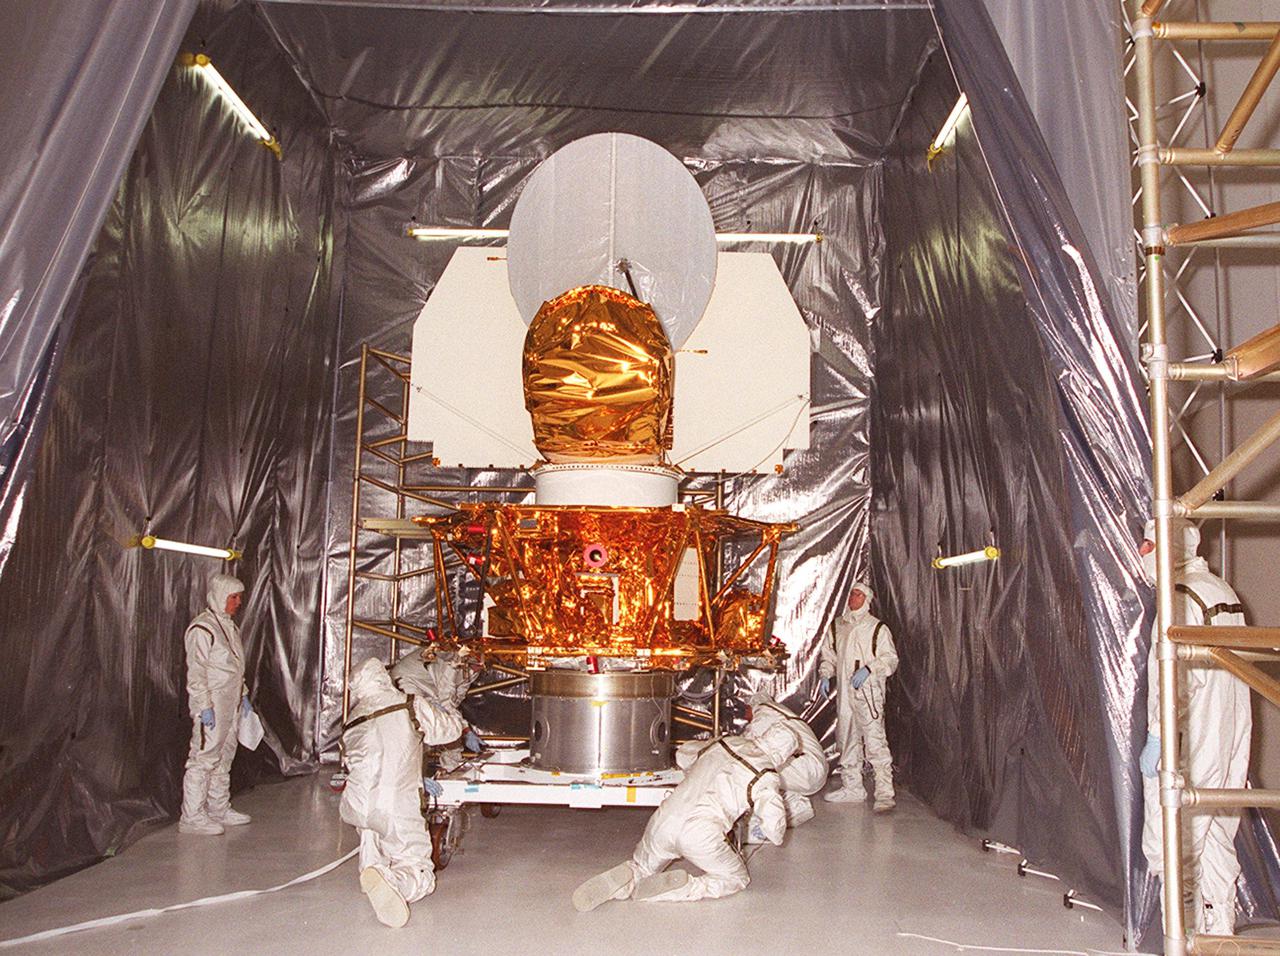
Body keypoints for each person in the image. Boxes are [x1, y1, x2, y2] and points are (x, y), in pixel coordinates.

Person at [1139, 518, 1250, 937]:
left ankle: (1181, 935)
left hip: (1192, 726)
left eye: (1149, 545)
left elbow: (1168, 680)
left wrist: (1157, 736)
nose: (1142, 553)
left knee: (1172, 834)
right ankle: (1218, 931)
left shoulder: (1178, 600)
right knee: (1216, 825)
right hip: (1232, 721)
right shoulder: (1221, 590)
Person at [572, 721, 800, 911]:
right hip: (700, 834)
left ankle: (631, 875)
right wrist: (777, 830)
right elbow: (774, 829)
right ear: (784, 754)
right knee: (735, 878)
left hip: (664, 820)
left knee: (643, 865)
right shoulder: (766, 774)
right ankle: (685, 887)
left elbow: (683, 755)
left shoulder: (726, 742)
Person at [341, 657, 466, 928]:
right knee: (419, 868)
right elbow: (450, 731)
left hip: (357, 803)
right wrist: (449, 709)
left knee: (373, 839)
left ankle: (371, 874)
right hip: (395, 802)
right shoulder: (409, 705)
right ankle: (396, 882)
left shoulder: (354, 718)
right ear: (384, 678)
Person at [672, 693, 827, 829]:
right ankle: (794, 803)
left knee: (750, 767)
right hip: (812, 769)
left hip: (806, 769)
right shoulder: (778, 711)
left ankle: (789, 805)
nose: (744, 718)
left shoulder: (763, 714)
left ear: (750, 707)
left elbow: (749, 751)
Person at [180, 573, 254, 835]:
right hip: (212, 703)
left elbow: (234, 666)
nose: (238, 603)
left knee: (224, 757)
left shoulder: (229, 627)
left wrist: (243, 694)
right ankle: (192, 816)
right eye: (233, 597)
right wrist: (204, 705)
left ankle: (218, 807)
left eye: (239, 598)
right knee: (204, 758)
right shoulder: (203, 629)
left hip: (230, 703)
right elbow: (196, 671)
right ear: (220, 596)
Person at [819, 582, 899, 810]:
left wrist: (869, 669)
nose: (853, 598)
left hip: (868, 692)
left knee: (874, 739)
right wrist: (825, 674)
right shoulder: (839, 626)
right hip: (845, 692)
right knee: (846, 738)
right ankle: (852, 786)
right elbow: (829, 655)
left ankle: (884, 792)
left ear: (867, 599)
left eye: (858, 594)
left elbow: (890, 658)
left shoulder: (876, 628)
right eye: (852, 593)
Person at [389, 647, 482, 769]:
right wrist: (465, 728)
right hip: (407, 680)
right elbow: (446, 698)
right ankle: (414, 772)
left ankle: (450, 768)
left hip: (428, 687)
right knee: (418, 725)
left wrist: (457, 720)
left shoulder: (474, 668)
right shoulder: (450, 662)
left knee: (449, 723)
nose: (480, 666)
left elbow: (458, 695)